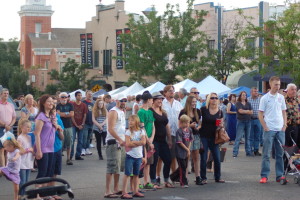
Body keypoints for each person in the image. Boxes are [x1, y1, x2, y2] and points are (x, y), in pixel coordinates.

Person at [259, 76, 287, 183]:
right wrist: (265, 126)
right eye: (276, 84)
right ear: (270, 84)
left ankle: (279, 175)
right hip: (269, 129)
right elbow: (260, 114)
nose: (278, 86)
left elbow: (284, 112)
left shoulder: (281, 97)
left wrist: (284, 125)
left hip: (280, 129)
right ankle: (264, 175)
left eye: (279, 84)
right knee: (266, 153)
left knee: (280, 154)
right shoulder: (264, 98)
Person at [104, 94, 127, 198]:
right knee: (111, 167)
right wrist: (119, 139)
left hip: (120, 142)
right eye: (121, 100)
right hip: (113, 142)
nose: (123, 102)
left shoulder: (122, 111)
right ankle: (108, 191)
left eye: (125, 100)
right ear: (116, 101)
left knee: (118, 167)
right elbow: (110, 129)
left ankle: (116, 188)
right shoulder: (113, 111)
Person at [149, 92, 174, 188]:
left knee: (168, 159)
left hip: (163, 140)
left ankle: (166, 180)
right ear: (153, 100)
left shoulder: (163, 112)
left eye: (161, 99)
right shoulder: (150, 111)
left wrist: (170, 139)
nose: (160, 101)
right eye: (158, 99)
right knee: (154, 161)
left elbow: (167, 126)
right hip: (154, 140)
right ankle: (153, 181)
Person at [200, 93, 225, 184]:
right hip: (203, 136)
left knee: (217, 158)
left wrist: (221, 125)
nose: (214, 99)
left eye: (216, 98)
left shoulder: (220, 111)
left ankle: (217, 177)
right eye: (212, 98)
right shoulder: (203, 109)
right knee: (203, 158)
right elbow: (199, 122)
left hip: (215, 137)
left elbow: (221, 124)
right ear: (208, 99)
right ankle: (203, 177)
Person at [35, 95, 61, 180]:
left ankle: (45, 192)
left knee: (49, 173)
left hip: (51, 148)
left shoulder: (52, 116)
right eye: (49, 101)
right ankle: (38, 193)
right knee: (42, 173)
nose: (51, 103)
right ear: (43, 103)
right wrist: (39, 151)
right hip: (43, 148)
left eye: (52, 101)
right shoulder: (41, 116)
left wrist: (57, 126)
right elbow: (37, 134)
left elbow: (55, 129)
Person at [178, 96, 202, 185]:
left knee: (196, 157)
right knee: (186, 157)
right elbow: (179, 126)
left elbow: (200, 123)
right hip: (185, 137)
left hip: (195, 136)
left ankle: (198, 177)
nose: (194, 103)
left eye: (195, 102)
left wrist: (198, 127)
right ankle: (185, 178)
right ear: (188, 102)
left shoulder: (198, 111)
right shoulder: (183, 112)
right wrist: (189, 126)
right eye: (192, 102)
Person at [121, 115, 146, 199]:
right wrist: (138, 142)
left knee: (136, 174)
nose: (130, 122)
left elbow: (144, 142)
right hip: (130, 155)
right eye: (129, 120)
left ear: (136, 122)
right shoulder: (128, 132)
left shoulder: (141, 131)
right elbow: (128, 144)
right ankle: (124, 192)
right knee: (127, 173)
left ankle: (135, 191)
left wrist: (134, 142)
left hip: (138, 156)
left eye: (132, 120)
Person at [137, 91, 156, 189]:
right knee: (141, 161)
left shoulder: (150, 112)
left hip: (149, 139)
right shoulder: (141, 112)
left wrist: (152, 138)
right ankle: (138, 182)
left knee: (148, 162)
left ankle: (146, 182)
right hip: (143, 139)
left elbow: (153, 126)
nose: (152, 102)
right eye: (152, 100)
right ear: (148, 100)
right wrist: (148, 140)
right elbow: (142, 127)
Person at [162, 85, 183, 172]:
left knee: (174, 156)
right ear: (165, 93)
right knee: (163, 157)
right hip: (165, 133)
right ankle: (158, 177)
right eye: (170, 91)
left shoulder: (178, 104)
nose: (172, 92)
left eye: (173, 91)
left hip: (177, 132)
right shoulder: (162, 104)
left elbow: (182, 117)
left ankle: (173, 175)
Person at [170, 115, 193, 188]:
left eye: (188, 123)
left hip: (186, 151)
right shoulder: (179, 131)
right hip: (180, 152)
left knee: (184, 166)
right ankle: (183, 182)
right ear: (181, 123)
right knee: (182, 167)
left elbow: (190, 140)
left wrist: (188, 149)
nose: (187, 124)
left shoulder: (189, 130)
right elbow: (179, 142)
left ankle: (173, 177)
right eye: (185, 123)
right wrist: (187, 149)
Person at [17, 119, 34, 197]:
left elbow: (33, 148)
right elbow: (20, 151)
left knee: (27, 181)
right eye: (27, 127)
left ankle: (24, 194)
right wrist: (29, 150)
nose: (29, 129)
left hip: (28, 161)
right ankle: (21, 194)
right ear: (21, 127)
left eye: (30, 127)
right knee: (22, 181)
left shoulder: (30, 137)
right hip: (22, 162)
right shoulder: (20, 138)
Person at [233, 91, 253, 157]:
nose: (244, 96)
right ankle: (235, 152)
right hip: (240, 121)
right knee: (238, 137)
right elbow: (240, 111)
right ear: (240, 96)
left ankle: (248, 152)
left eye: (245, 95)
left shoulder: (248, 103)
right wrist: (247, 111)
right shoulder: (238, 103)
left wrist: (245, 111)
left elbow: (251, 112)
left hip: (248, 121)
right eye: (243, 95)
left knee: (248, 138)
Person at [56, 92, 74, 165]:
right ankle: (59, 158)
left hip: (69, 126)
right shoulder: (58, 106)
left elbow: (72, 114)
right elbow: (58, 114)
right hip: (61, 126)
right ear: (59, 98)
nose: (64, 98)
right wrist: (67, 114)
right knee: (61, 143)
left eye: (65, 97)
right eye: (62, 97)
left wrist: (63, 114)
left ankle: (68, 158)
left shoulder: (70, 105)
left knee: (69, 142)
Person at [49, 107, 64, 193]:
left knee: (55, 172)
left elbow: (62, 138)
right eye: (52, 112)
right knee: (49, 172)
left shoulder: (59, 120)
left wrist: (59, 130)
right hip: (49, 149)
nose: (54, 114)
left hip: (57, 148)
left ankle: (52, 191)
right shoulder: (46, 121)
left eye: (54, 112)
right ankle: (47, 192)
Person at [0, 88, 16, 167]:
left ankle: (7, 166)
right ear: (1, 94)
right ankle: (2, 167)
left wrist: (10, 125)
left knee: (9, 148)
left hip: (10, 129)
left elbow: (14, 117)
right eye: (4, 93)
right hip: (1, 129)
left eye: (7, 93)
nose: (6, 95)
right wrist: (4, 125)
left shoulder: (11, 105)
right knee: (2, 149)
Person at [71, 91, 87, 160]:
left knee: (80, 140)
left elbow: (85, 115)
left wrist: (82, 124)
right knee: (72, 140)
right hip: (73, 125)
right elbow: (71, 115)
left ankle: (78, 155)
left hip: (81, 125)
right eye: (78, 95)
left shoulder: (83, 105)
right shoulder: (72, 105)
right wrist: (76, 125)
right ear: (75, 96)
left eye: (80, 95)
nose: (80, 97)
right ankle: (70, 156)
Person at [248, 87, 262, 156]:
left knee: (257, 136)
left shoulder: (260, 100)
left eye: (257, 91)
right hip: (250, 120)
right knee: (250, 136)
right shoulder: (248, 100)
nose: (256, 93)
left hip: (258, 120)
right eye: (255, 91)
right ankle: (250, 150)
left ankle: (256, 150)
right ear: (251, 92)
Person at [82, 90, 94, 156]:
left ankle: (87, 148)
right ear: (86, 95)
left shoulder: (92, 103)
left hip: (91, 123)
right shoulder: (83, 103)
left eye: (91, 94)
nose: (90, 95)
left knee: (89, 137)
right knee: (84, 137)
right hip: (85, 123)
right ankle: (82, 149)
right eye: (89, 94)